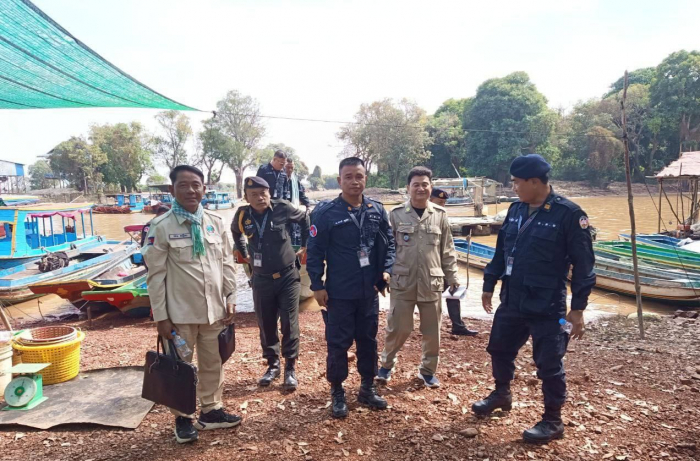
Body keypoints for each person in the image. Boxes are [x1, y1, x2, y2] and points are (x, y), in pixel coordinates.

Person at [472, 154, 595, 444]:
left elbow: (584, 266)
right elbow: (501, 252)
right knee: (499, 349)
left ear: (536, 182)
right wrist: (489, 283)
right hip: (512, 299)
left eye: (517, 182)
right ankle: (501, 394)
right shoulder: (515, 210)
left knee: (549, 363)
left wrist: (578, 309)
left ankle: (553, 420)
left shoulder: (569, 215)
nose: (513, 187)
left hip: (548, 306)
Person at [142, 165, 240, 444]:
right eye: (183, 185)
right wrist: (161, 317)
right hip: (179, 314)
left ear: (204, 189)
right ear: (172, 189)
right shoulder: (161, 226)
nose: (190, 190)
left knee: (213, 362)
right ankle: (183, 418)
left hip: (214, 312)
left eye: (196, 185)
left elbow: (227, 262)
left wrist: (231, 297)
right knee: (180, 367)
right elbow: (155, 276)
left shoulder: (215, 222)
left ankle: (211, 411)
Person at [307, 157, 395, 419]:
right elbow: (315, 251)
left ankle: (367, 388)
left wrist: (387, 269)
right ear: (339, 180)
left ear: (365, 178)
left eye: (359, 176)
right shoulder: (325, 213)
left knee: (368, 340)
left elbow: (389, 243)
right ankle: (337, 391)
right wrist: (316, 285)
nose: (354, 181)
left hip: (369, 291)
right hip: (340, 291)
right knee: (338, 342)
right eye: (348, 177)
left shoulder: (376, 209)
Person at [376, 167, 459, 389]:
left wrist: (453, 276)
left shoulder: (440, 215)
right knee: (398, 327)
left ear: (430, 187)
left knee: (432, 331)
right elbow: (387, 249)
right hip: (402, 281)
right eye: (416, 184)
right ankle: (386, 365)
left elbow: (447, 249)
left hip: (432, 282)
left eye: (425, 184)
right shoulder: (396, 215)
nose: (420, 188)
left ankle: (427, 371)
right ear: (408, 188)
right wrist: (383, 273)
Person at [231, 176, 309, 390]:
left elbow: (304, 219)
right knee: (266, 323)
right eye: (253, 194)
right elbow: (236, 232)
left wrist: (304, 245)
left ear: (269, 193)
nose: (259, 198)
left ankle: (290, 368)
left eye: (263, 193)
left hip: (287, 277)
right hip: (261, 279)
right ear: (246, 197)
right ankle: (273, 365)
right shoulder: (242, 215)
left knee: (289, 323)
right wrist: (243, 252)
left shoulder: (282, 208)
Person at [428, 188, 478, 336]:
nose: (442, 206)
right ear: (430, 200)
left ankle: (457, 325)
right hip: (427, 266)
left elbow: (448, 246)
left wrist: (451, 272)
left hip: (442, 265)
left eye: (444, 203)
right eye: (439, 202)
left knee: (452, 292)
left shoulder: (442, 217)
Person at [283, 157, 311, 247]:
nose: (290, 170)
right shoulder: (280, 179)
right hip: (282, 213)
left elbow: (301, 194)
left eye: (292, 168)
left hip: (294, 211)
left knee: (295, 234)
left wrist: (308, 205)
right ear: (283, 167)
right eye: (288, 167)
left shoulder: (295, 180)